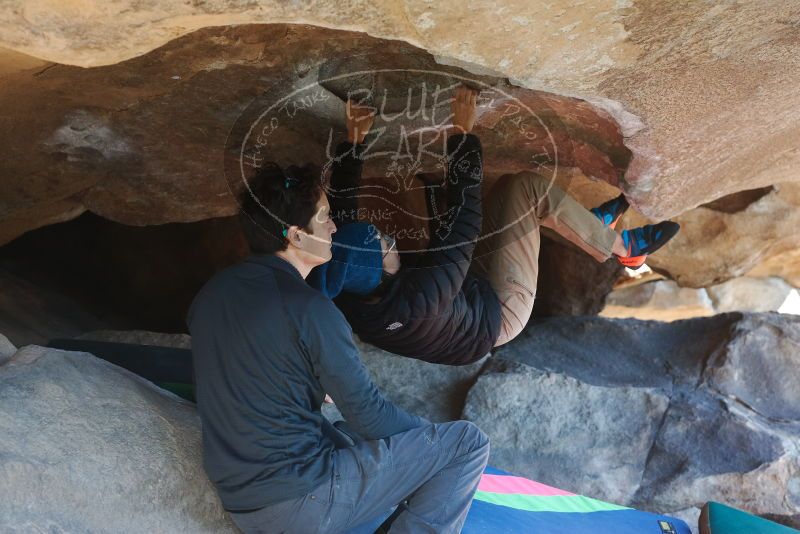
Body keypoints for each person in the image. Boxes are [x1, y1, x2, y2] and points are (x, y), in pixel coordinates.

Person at [187, 159, 490, 533]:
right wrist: (429, 441)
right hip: (301, 501)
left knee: (346, 432)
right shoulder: (311, 309)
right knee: (465, 444)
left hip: (241, 498)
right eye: (325, 216)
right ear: (296, 235)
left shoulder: (211, 294)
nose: (334, 227)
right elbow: (371, 415)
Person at [309, 86, 680, 365]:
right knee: (526, 189)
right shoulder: (421, 297)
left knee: (503, 195)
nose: (386, 235)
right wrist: (461, 132)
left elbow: (344, 215)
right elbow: (465, 221)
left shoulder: (345, 281)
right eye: (383, 243)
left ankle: (583, 225)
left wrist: (354, 141)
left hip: (460, 296)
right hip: (498, 314)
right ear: (382, 270)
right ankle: (626, 251)